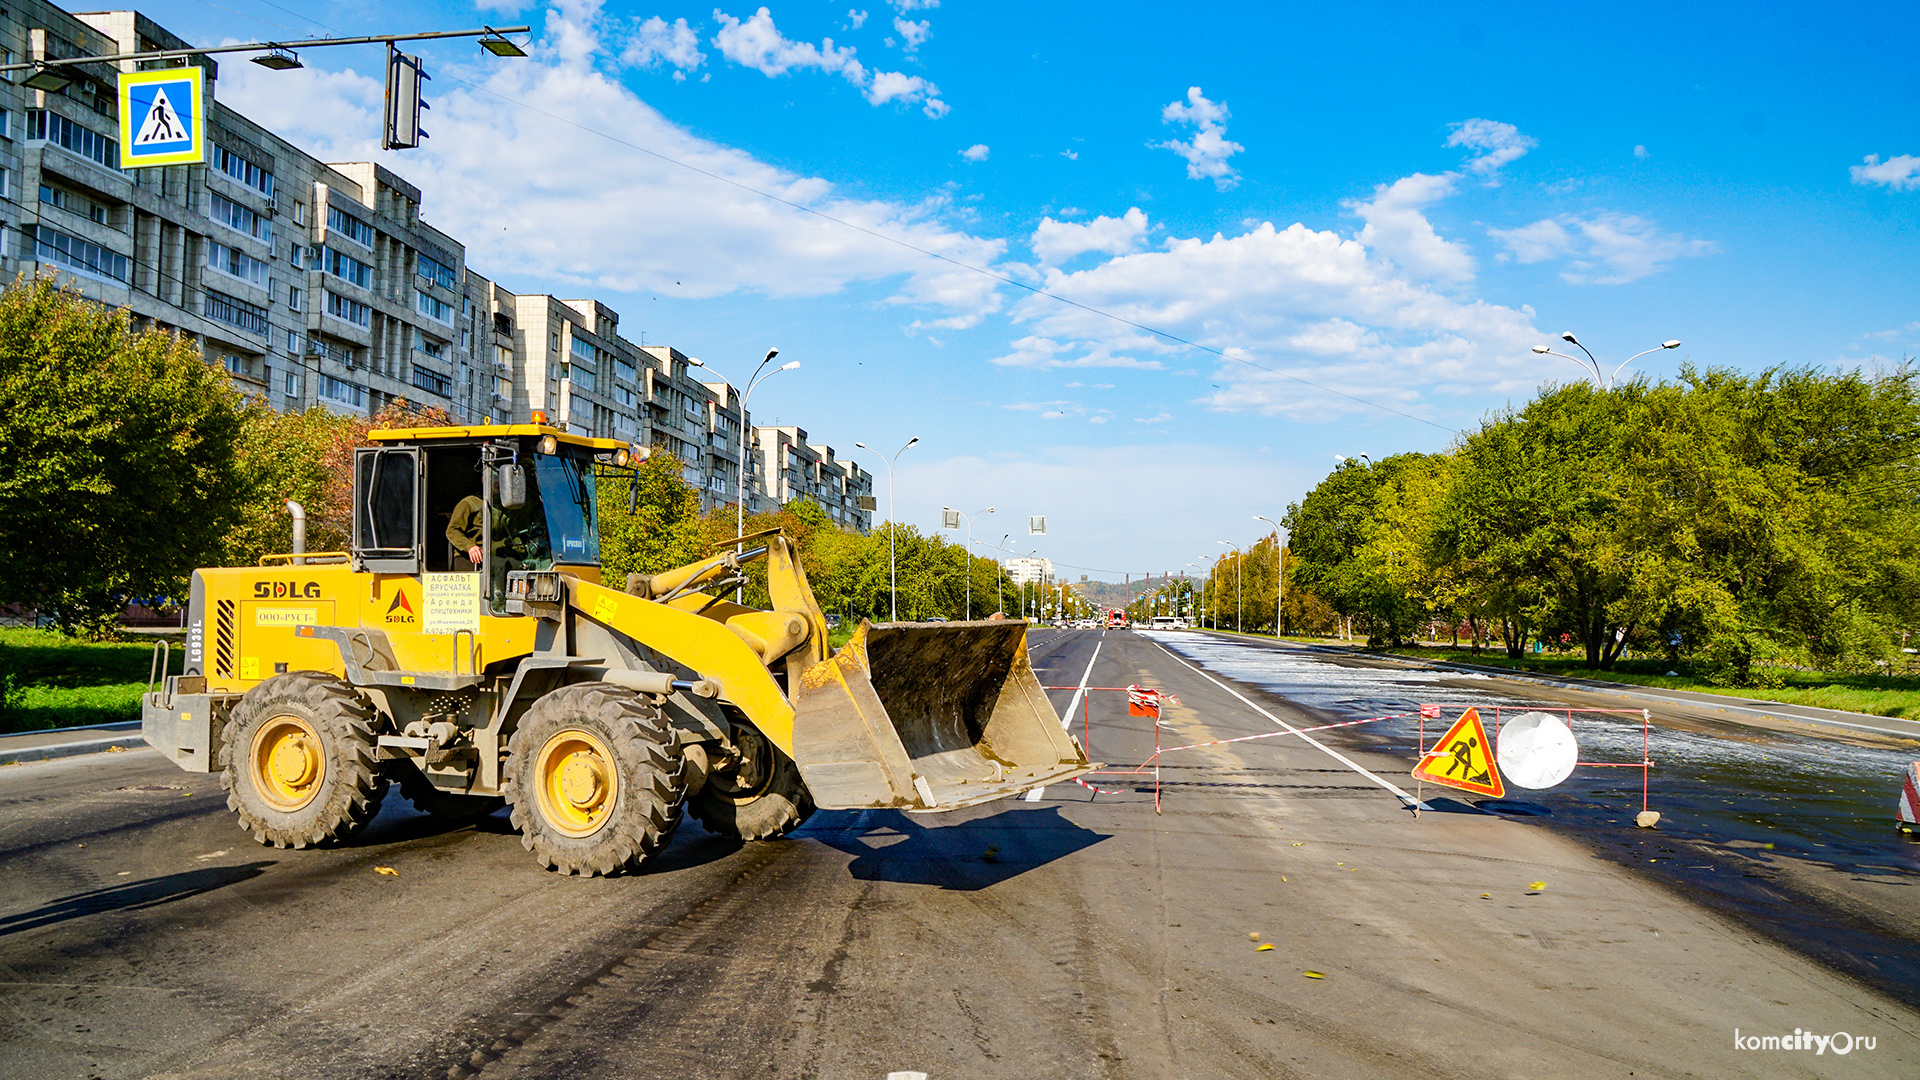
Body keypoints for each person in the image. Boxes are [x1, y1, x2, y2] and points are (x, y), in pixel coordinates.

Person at [446, 491, 538, 610]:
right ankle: (498, 605)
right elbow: (452, 530)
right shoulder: (470, 502)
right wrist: (470, 546)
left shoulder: (505, 508)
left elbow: (512, 536)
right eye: (494, 478)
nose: (497, 483)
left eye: (499, 479)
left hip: (497, 556)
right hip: (471, 558)